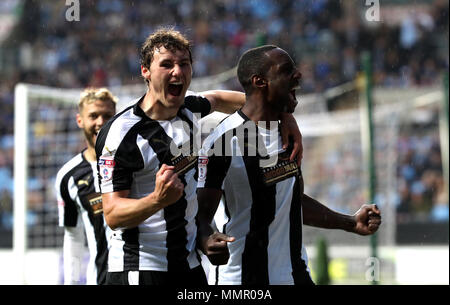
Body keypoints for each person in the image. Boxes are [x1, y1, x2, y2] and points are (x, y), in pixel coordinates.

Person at [95, 28, 303, 285]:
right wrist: (156, 200)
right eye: (167, 64)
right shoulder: (121, 134)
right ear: (145, 71)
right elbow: (113, 214)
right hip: (140, 267)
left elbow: (220, 98)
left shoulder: (189, 108)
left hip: (189, 265)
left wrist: (285, 116)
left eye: (184, 64)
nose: (177, 72)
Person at [196, 45, 382, 285]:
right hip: (243, 278)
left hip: (295, 273)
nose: (298, 75)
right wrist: (208, 240)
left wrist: (350, 222)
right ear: (260, 81)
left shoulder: (289, 135)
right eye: (286, 70)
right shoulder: (222, 141)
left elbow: (292, 202)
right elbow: (200, 216)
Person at [55, 87, 117, 285]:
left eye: (107, 115)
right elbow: (73, 237)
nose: (100, 122)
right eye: (93, 115)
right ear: (80, 120)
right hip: (99, 279)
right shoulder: (69, 177)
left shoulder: (137, 161)